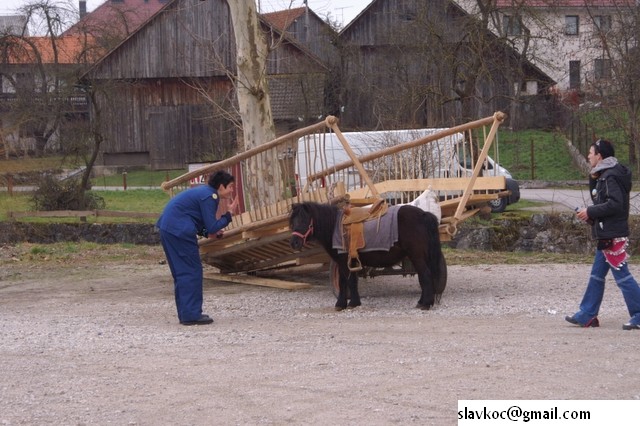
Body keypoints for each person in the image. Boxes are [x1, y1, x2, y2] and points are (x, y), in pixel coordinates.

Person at [566, 139, 640, 330]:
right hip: (607, 233)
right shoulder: (605, 175)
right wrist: (591, 216)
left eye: (591, 152)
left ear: (599, 156)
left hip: (612, 235)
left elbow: (615, 204)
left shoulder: (610, 177)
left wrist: (590, 212)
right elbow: (607, 206)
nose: (588, 156)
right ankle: (588, 314)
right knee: (597, 276)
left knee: (622, 276)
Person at [157, 170, 238, 326]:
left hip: (169, 228)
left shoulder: (203, 192)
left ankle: (186, 313)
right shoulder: (210, 196)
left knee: (181, 272)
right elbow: (212, 225)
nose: (232, 190)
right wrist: (228, 215)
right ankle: (192, 315)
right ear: (221, 186)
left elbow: (198, 221)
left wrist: (209, 233)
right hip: (180, 232)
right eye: (231, 187)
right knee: (191, 271)